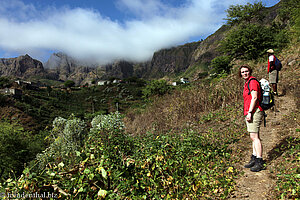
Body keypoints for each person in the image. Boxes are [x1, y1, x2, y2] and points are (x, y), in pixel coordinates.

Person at [239, 65, 264, 172]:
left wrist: (249, 112)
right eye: (242, 72)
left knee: (255, 137)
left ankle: (259, 160)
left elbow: (254, 97)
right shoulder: (247, 82)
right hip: (250, 111)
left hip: (254, 111)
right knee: (253, 136)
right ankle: (254, 158)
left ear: (250, 71)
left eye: (246, 71)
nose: (245, 73)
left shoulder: (252, 82)